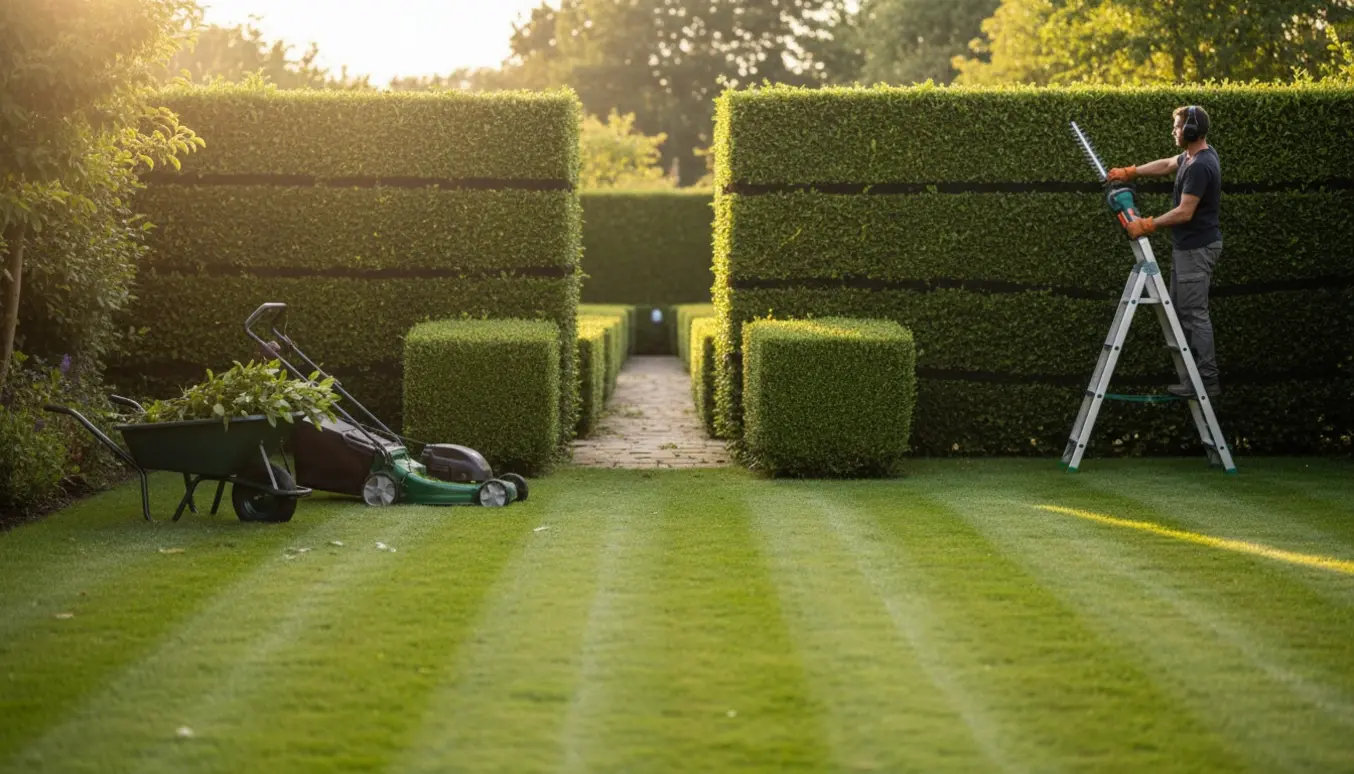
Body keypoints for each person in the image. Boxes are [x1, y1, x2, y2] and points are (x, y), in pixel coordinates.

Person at [1108, 105, 1223, 398]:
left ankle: (1207, 380)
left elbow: (1185, 213)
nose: (1174, 131)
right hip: (1188, 247)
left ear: (1191, 130)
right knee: (1183, 310)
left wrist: (1147, 225)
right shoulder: (1190, 157)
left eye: (1177, 126)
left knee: (1195, 313)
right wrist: (1130, 172)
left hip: (1197, 248)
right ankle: (1193, 378)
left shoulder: (1200, 166)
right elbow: (1165, 165)